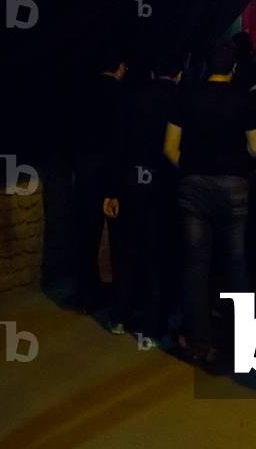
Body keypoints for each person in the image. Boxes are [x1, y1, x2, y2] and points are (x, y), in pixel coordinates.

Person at [163, 43, 256, 367]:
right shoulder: (245, 99)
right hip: (234, 185)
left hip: (193, 186)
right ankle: (243, 341)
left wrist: (191, 168)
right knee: (236, 264)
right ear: (234, 68)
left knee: (196, 264)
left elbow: (169, 149)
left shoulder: (186, 97)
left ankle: (199, 342)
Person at [103, 53, 184, 341]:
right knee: (159, 253)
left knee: (127, 251)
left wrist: (112, 191)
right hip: (166, 184)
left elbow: (117, 146)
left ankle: (120, 314)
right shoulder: (181, 100)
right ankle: (154, 322)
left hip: (131, 182)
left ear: (152, 73)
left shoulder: (131, 98)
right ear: (179, 74)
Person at [70, 55, 127, 313]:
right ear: (119, 67)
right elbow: (120, 139)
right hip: (112, 171)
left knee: (86, 235)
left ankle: (87, 293)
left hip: (85, 169)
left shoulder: (81, 93)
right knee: (119, 238)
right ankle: (120, 296)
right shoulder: (121, 95)